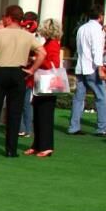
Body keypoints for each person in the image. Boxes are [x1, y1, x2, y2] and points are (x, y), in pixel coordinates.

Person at [0, 5, 47, 157]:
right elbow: (42, 53)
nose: (3, 18)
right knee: (15, 112)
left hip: (0, 71)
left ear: (9, 17)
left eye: (4, 16)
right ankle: (11, 149)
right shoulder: (28, 36)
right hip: (18, 72)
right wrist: (32, 69)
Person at [24, 18, 63, 158]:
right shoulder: (48, 43)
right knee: (39, 114)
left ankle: (46, 146)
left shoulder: (52, 44)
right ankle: (38, 144)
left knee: (45, 115)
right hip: (41, 83)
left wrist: (36, 60)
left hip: (47, 83)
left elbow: (53, 63)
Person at [69, 5, 106, 135]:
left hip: (81, 66)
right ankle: (102, 127)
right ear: (100, 16)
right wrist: (100, 67)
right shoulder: (97, 30)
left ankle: (74, 126)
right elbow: (96, 50)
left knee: (78, 98)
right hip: (91, 67)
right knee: (101, 97)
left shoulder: (82, 28)